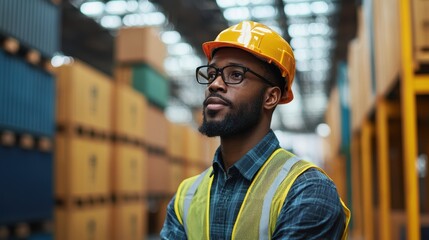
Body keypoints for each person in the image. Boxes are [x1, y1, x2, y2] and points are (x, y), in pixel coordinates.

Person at [161, 20, 350, 240]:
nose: (214, 84)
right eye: (212, 74)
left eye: (235, 75)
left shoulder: (307, 190)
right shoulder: (186, 196)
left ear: (270, 97)